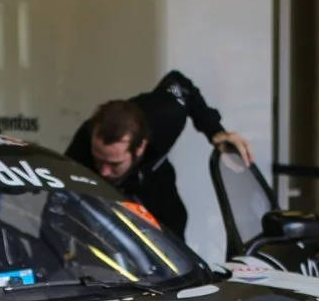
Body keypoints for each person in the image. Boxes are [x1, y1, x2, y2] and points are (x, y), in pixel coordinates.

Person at [64, 71, 252, 237]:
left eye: (114, 164)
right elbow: (61, 200)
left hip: (156, 191)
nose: (104, 171)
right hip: (104, 206)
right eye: (99, 160)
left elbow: (180, 83)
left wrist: (215, 131)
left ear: (140, 147)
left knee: (172, 238)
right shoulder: (83, 146)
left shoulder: (165, 117)